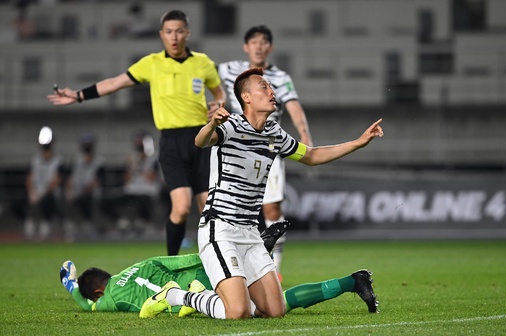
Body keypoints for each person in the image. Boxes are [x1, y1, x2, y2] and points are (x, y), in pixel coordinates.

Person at [140, 68, 383, 320]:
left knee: (274, 311)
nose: (271, 91)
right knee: (237, 313)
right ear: (246, 97)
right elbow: (201, 141)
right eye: (264, 87)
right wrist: (212, 122)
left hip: (250, 232)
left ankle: (221, 295)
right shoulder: (232, 125)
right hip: (220, 228)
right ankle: (175, 296)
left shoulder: (274, 133)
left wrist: (358, 142)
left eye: (270, 86)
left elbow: (311, 156)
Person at [47, 10, 226, 255]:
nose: (174, 37)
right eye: (169, 32)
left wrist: (218, 104)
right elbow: (114, 83)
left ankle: (215, 265)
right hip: (172, 142)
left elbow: (219, 93)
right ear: (162, 34)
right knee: (182, 208)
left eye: (179, 31)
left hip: (201, 140)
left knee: (208, 208)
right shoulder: (151, 63)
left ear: (187, 33)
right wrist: (78, 95)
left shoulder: (202, 62)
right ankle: (170, 266)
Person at [59, 226, 377, 315]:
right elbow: (181, 260)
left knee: (260, 308)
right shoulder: (139, 265)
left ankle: (177, 298)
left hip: (203, 292)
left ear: (100, 289)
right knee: (274, 304)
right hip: (209, 268)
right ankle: (352, 281)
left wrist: (69, 283)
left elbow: (87, 305)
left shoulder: (108, 298)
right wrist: (218, 257)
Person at [218, 25, 314, 280]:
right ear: (245, 47)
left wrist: (304, 134)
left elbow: (294, 106)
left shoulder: (280, 78)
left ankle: (275, 269)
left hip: (268, 146)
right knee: (229, 207)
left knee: (271, 210)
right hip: (235, 146)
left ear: (270, 47)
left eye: (263, 42)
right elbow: (210, 83)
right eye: (253, 42)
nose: (258, 46)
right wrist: (213, 105)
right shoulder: (228, 69)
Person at [101, 131, 162, 236]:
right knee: (106, 200)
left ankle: (143, 222)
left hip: (147, 191)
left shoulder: (154, 159)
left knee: (143, 200)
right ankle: (122, 221)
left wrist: (139, 166)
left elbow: (151, 178)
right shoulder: (133, 159)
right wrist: (132, 165)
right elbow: (127, 180)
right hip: (132, 190)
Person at [24, 126, 65, 240]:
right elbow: (29, 178)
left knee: (48, 199)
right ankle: (30, 221)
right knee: (23, 199)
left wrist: (42, 192)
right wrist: (32, 192)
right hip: (36, 191)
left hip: (50, 193)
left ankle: (45, 223)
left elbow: (56, 180)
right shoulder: (35, 160)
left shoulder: (58, 161)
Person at [64, 134, 106, 240]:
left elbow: (96, 181)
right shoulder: (76, 160)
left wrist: (84, 190)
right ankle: (71, 225)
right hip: (76, 191)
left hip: (91, 193)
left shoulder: (99, 161)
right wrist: (69, 191)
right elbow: (69, 179)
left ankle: (88, 224)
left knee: (86, 198)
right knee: (65, 197)